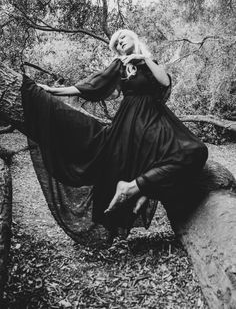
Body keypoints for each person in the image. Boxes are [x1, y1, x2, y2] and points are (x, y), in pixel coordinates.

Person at [21, 29, 208, 242]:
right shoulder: (120, 66)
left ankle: (137, 188)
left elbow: (164, 83)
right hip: (133, 121)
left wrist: (143, 59)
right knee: (154, 156)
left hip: (159, 119)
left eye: (122, 38)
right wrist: (54, 91)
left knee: (196, 151)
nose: (119, 43)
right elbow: (91, 86)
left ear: (134, 38)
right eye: (116, 44)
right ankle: (141, 190)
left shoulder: (148, 61)